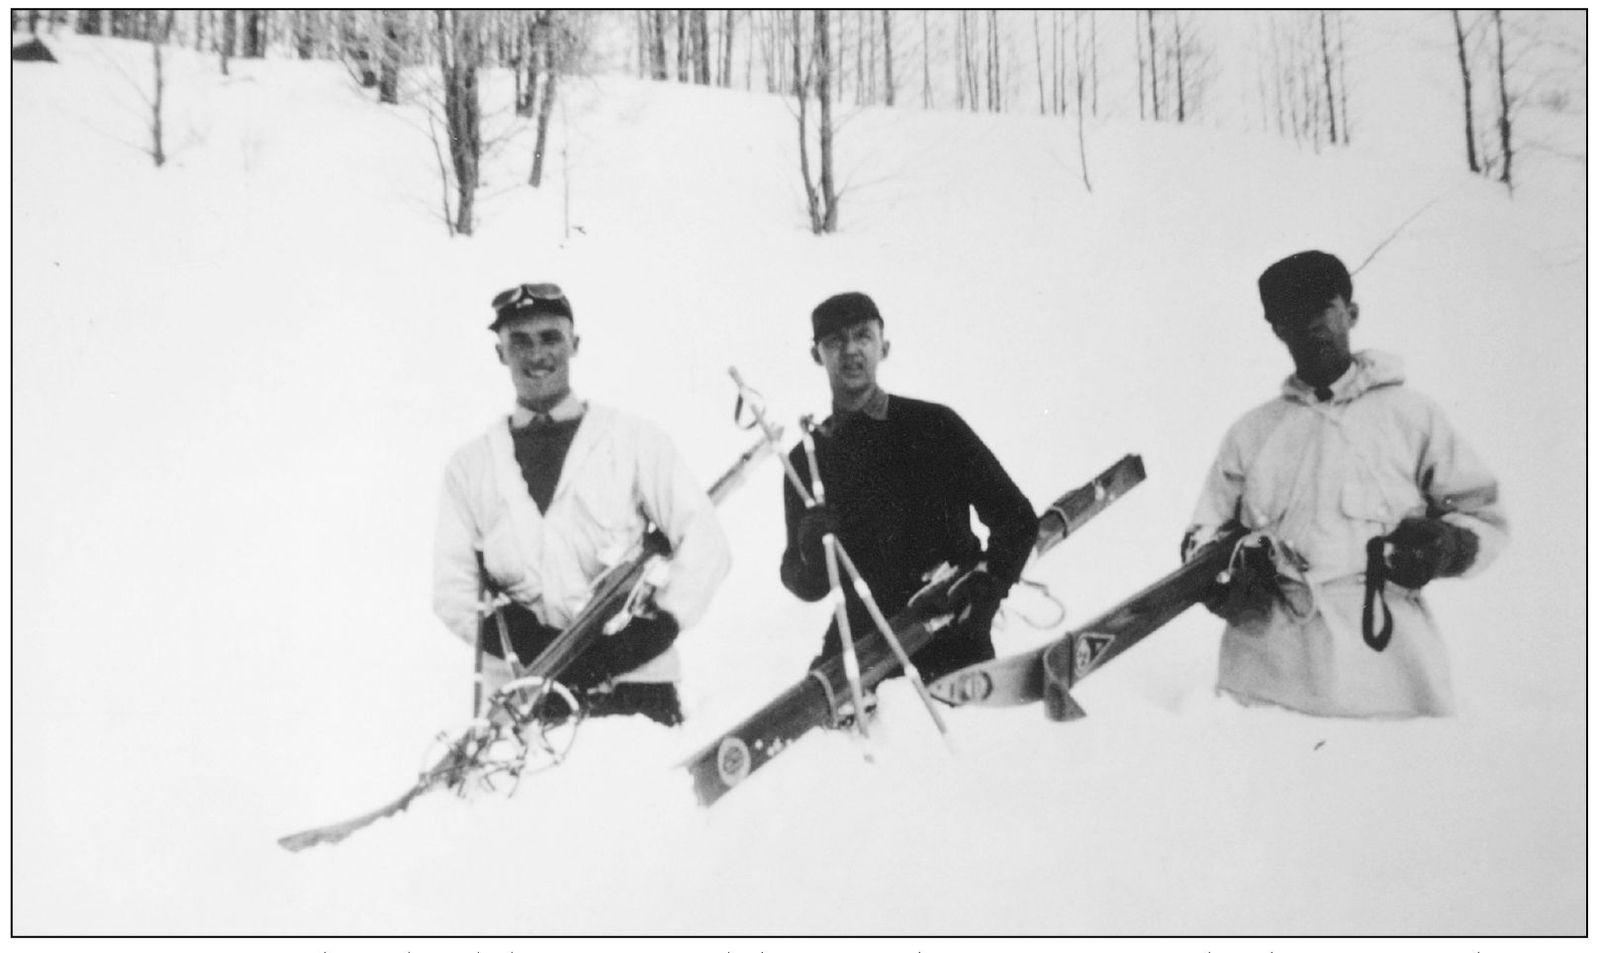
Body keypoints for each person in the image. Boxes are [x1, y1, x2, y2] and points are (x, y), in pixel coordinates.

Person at [1182, 251, 1508, 718]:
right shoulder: (1252, 433)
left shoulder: (1411, 417)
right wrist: (1226, 571)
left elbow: (1484, 515)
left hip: (1387, 669)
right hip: (1267, 675)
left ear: (1351, 313)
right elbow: (1204, 534)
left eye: (1321, 309)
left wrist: (1446, 544)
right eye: (1291, 316)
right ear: (1276, 329)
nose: (1309, 325)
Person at [433, 282, 731, 727]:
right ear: (500, 353)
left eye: (550, 338)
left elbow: (705, 542)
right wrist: (522, 641)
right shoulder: (470, 466)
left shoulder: (633, 440)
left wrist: (653, 632)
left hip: (635, 687)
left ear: (575, 344)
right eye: (520, 341)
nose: (536, 355)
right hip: (524, 691)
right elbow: (452, 588)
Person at [780, 291, 1039, 688]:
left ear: (884, 345)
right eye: (834, 341)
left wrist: (983, 595)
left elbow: (1016, 519)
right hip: (861, 649)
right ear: (817, 354)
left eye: (862, 336)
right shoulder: (806, 460)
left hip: (950, 636)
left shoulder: (935, 426)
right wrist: (810, 546)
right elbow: (802, 580)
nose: (850, 350)